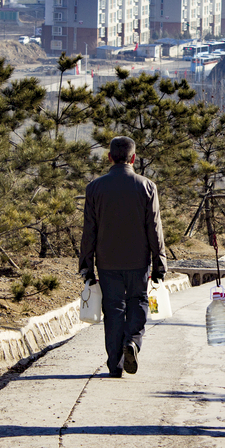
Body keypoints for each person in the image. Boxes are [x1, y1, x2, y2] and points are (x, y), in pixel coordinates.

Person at [79, 136, 167, 378]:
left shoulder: (95, 188)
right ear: (134, 158)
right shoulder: (147, 186)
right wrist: (159, 264)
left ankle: (114, 365)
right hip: (139, 262)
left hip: (106, 262)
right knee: (138, 302)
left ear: (109, 158)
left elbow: (90, 231)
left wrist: (86, 266)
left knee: (113, 309)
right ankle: (133, 342)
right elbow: (154, 228)